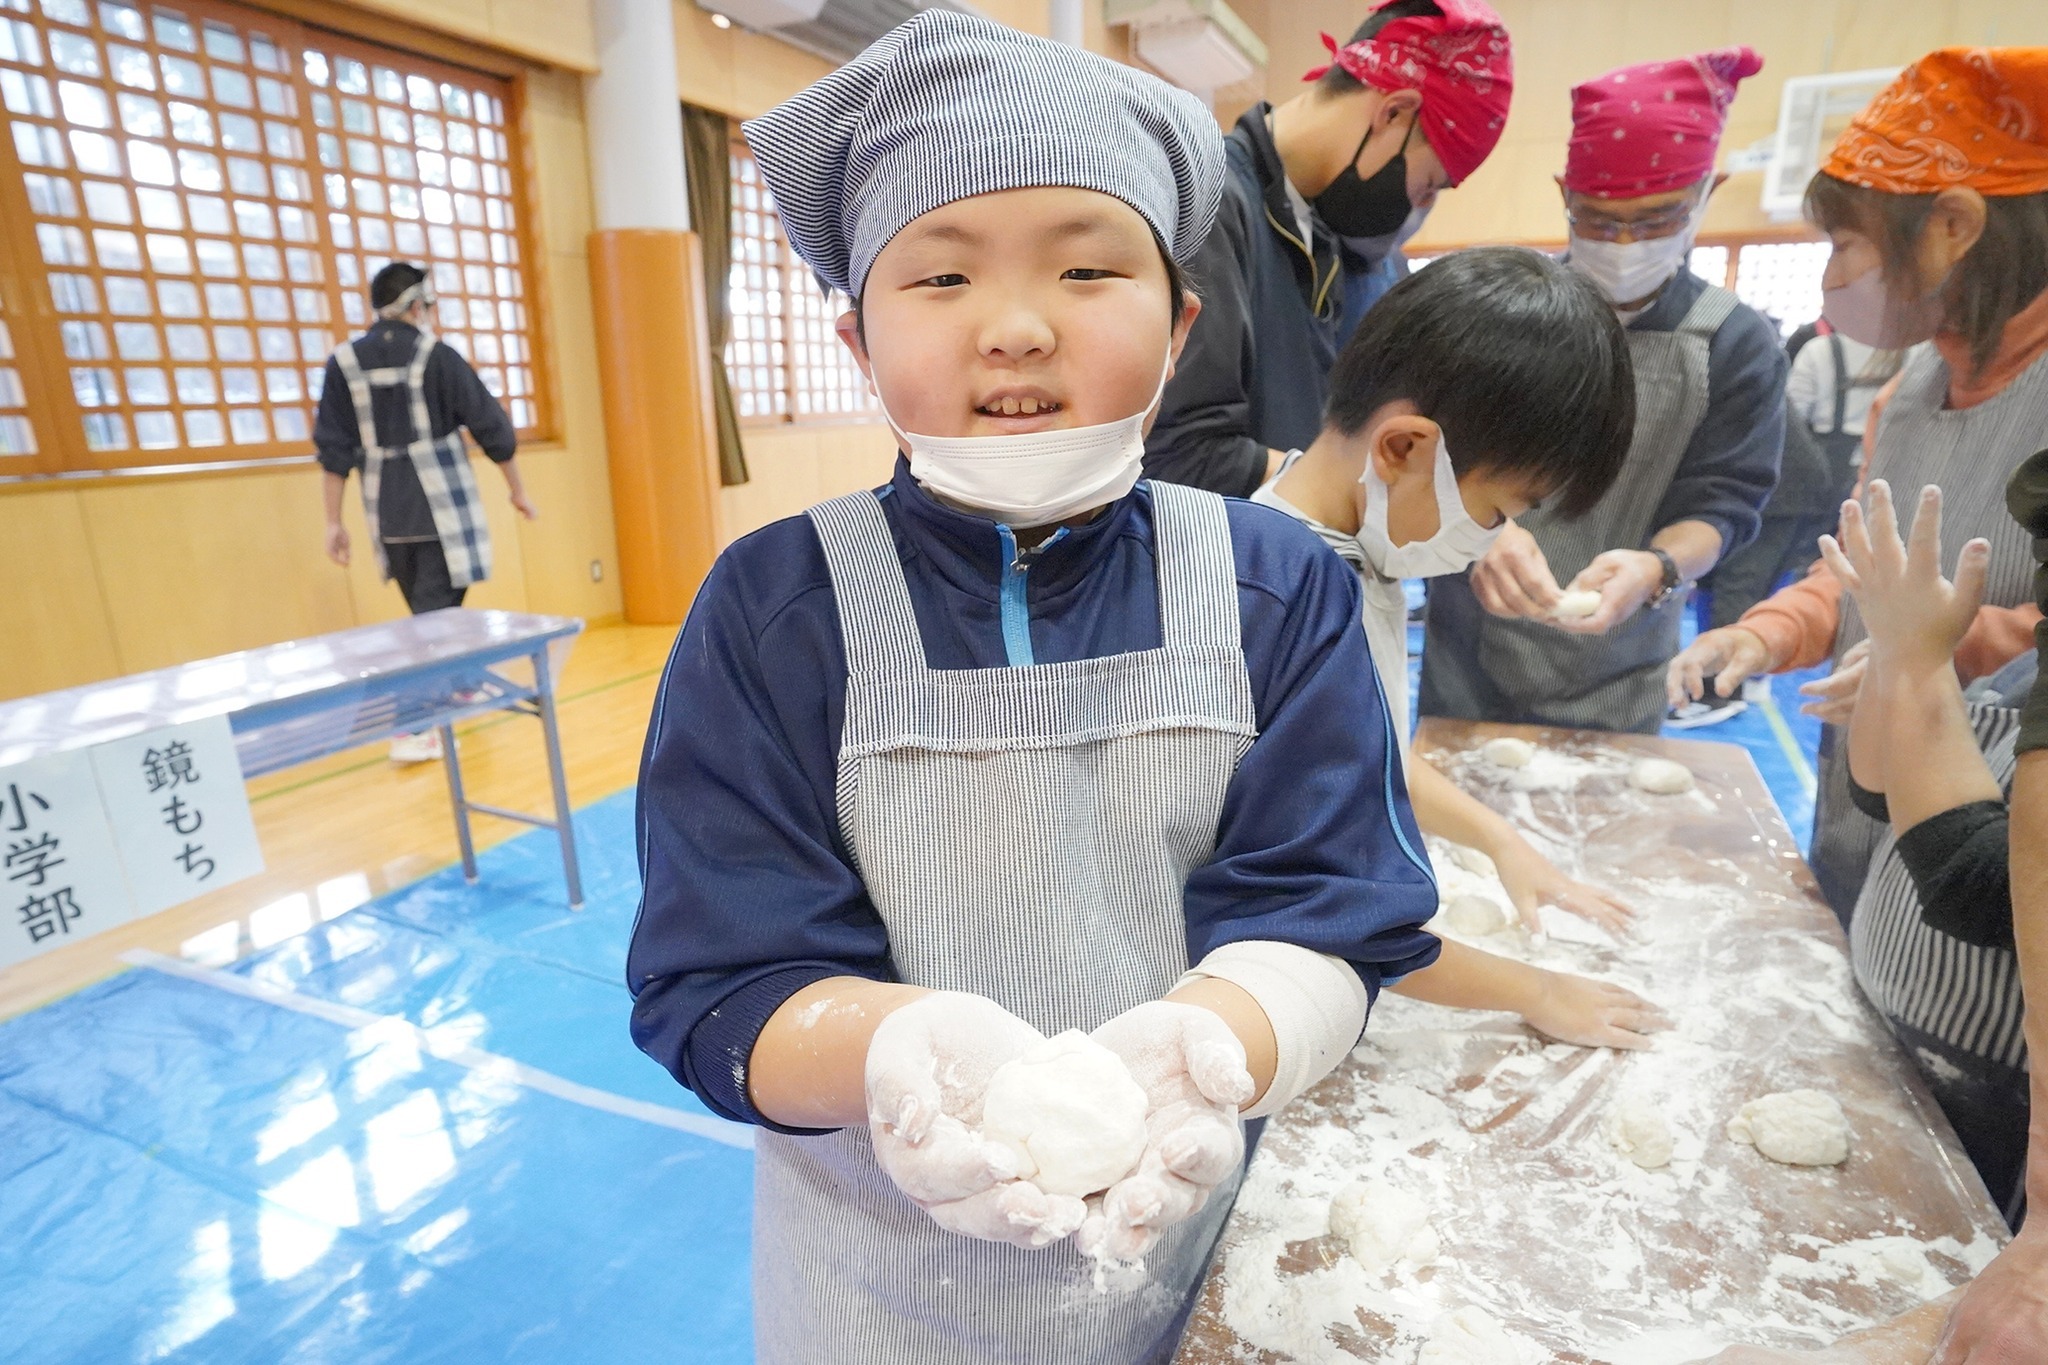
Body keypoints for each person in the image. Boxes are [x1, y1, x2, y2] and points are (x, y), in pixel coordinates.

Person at [626, 16, 1443, 1362]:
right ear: (858, 339)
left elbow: (1332, 910)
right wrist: (891, 1052)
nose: (1014, 328)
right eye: (942, 277)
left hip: (1193, 1252)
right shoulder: (776, 612)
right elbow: (720, 982)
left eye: (1085, 267)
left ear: (1179, 326)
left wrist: (1206, 1054)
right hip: (879, 1298)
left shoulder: (1277, 587)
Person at [1666, 48, 2047, 920]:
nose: (1833, 277)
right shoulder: (1905, 393)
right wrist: (1762, 635)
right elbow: (1853, 576)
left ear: (1954, 224)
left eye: (1845, 244)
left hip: (1993, 857)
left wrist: (1929, 652)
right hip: (1858, 818)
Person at [1256, 245, 1667, 1052]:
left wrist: (1501, 839)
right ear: (1404, 448)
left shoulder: (1344, 545)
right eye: (1499, 510)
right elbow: (1338, 913)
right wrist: (1536, 989)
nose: (1493, 538)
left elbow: (1363, 750)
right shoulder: (1289, 602)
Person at [1419, 47, 1786, 736]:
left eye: (1655, 220)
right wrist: (1475, 527)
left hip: (1620, 666)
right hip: (1470, 657)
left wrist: (1656, 567)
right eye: (1596, 218)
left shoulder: (1734, 343)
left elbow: (1724, 503)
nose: (1623, 242)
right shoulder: (1502, 309)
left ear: (1706, 195)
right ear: (1564, 194)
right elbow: (1425, 452)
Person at [1142, 0, 1511, 497]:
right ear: (1393, 112)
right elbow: (1183, 455)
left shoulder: (1333, 241)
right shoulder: (1212, 201)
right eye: (1428, 185)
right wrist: (1362, 495)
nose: (1418, 208)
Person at [315, 261, 534, 763]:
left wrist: (333, 522)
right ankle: (413, 725)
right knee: (431, 623)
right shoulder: (438, 357)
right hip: (442, 510)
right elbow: (492, 427)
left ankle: (455, 688)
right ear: (416, 306)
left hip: (388, 515)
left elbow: (333, 449)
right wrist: (518, 491)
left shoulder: (343, 363)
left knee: (429, 614)